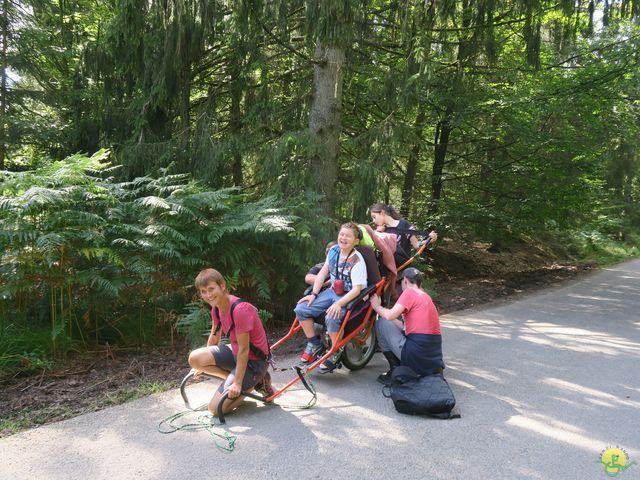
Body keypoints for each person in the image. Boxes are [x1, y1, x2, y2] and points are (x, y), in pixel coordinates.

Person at [187, 268, 273, 416]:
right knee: (194, 359)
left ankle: (254, 383)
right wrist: (203, 366)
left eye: (211, 289)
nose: (208, 295)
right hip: (235, 352)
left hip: (254, 361)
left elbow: (244, 349)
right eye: (203, 291)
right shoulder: (216, 308)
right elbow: (214, 337)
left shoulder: (240, 310)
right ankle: (243, 380)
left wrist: (238, 383)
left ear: (222, 286)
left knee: (215, 409)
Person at [294, 222, 368, 373]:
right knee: (301, 309)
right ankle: (315, 343)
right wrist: (313, 295)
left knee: (331, 316)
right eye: (342, 234)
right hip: (332, 291)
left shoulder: (357, 261)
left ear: (356, 240)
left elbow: (356, 290)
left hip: (350, 295)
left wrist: (338, 304)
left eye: (348, 236)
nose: (343, 238)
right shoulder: (333, 250)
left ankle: (336, 350)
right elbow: (322, 273)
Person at [369, 267, 444, 385]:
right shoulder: (426, 297)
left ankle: (395, 369)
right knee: (388, 322)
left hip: (416, 356)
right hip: (432, 360)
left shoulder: (409, 292)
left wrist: (376, 307)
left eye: (400, 283)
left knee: (381, 323)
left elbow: (389, 316)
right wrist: (390, 317)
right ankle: (409, 368)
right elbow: (405, 326)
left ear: (405, 280)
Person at [369, 203, 437, 265]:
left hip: (403, 267)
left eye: (374, 217)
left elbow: (416, 245)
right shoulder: (380, 231)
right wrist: (377, 233)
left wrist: (429, 240)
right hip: (387, 271)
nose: (373, 221)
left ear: (382, 213)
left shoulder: (404, 224)